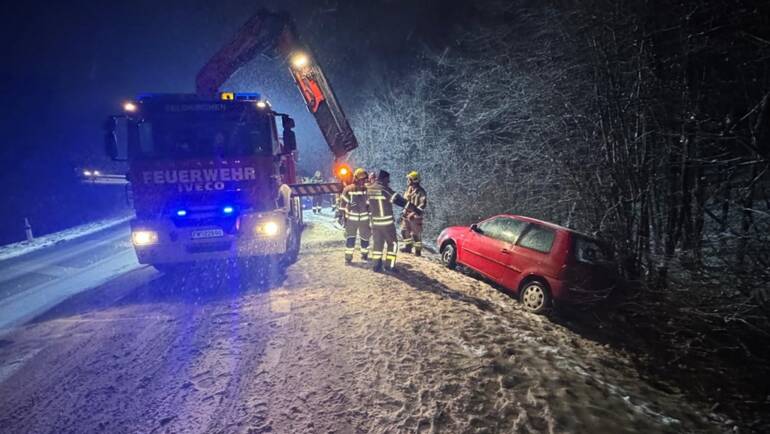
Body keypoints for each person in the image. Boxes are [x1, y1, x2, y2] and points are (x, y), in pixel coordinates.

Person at [367, 169, 412, 272]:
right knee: (393, 244)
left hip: (375, 223)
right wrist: (415, 209)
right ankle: (389, 266)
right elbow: (399, 201)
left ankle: (376, 266)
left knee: (377, 244)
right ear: (384, 179)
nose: (388, 182)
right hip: (386, 224)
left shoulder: (369, 189)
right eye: (388, 180)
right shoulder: (384, 189)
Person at [339, 168, 371, 263]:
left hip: (358, 219)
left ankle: (361, 255)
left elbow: (342, 206)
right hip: (356, 219)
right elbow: (342, 204)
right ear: (357, 178)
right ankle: (351, 256)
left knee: (361, 237)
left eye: (364, 179)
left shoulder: (365, 189)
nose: (363, 181)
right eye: (362, 179)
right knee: (354, 237)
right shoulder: (350, 189)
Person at [400, 171, 428, 256]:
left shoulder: (421, 192)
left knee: (416, 235)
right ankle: (408, 247)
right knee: (404, 231)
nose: (408, 181)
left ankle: (418, 252)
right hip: (406, 216)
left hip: (415, 217)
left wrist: (413, 213)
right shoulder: (408, 190)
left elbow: (423, 204)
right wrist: (404, 211)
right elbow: (405, 201)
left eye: (409, 179)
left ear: (414, 180)